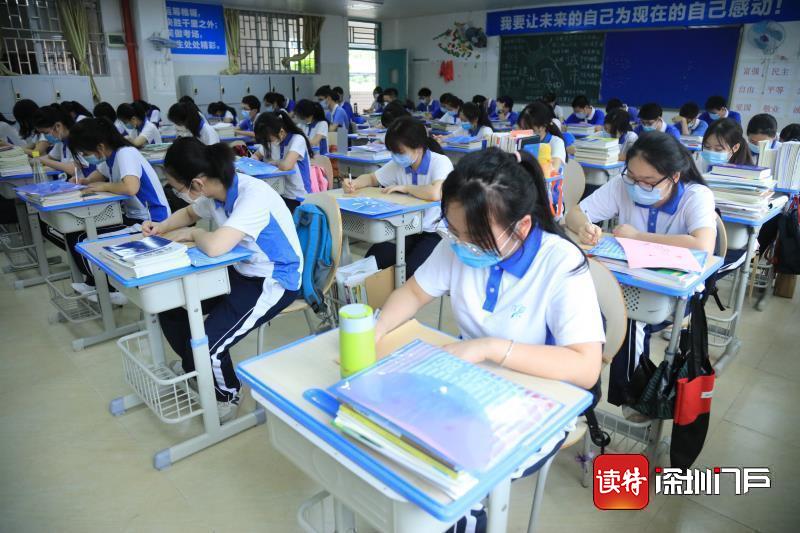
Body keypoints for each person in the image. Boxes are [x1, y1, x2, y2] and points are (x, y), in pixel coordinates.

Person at [375, 149, 603, 532]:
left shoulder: (560, 263)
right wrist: (374, 331)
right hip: (469, 380)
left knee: (452, 478)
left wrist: (490, 347)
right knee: (396, 442)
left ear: (522, 226)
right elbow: (413, 293)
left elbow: (585, 367)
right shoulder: (458, 244)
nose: (460, 243)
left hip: (542, 398)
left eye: (475, 236)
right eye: (454, 230)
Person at [145, 137, 302, 422]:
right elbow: (189, 212)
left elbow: (215, 246)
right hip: (241, 271)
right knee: (172, 307)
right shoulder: (215, 195)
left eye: (178, 188)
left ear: (197, 184)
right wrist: (161, 227)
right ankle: (196, 368)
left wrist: (195, 233)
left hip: (274, 280)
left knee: (208, 344)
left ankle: (226, 395)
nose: (178, 194)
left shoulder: (252, 196)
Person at [566, 131, 716, 406]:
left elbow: (702, 245)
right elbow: (575, 213)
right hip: (625, 282)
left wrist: (638, 237)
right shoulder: (622, 186)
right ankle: (579, 394)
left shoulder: (696, 196)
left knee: (628, 318)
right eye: (632, 177)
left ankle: (631, 398)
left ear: (674, 176)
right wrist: (584, 226)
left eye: (647, 181)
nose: (637, 185)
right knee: (578, 313)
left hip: (673, 293)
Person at [63, 118, 172, 303]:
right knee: (75, 234)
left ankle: (113, 289)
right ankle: (94, 282)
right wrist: (84, 181)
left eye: (86, 152)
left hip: (152, 222)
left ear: (100, 146)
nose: (87, 156)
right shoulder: (111, 156)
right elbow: (99, 174)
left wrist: (103, 186)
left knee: (84, 240)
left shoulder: (125, 153)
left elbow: (130, 187)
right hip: (133, 218)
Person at [343, 116, 452, 277]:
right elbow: (372, 178)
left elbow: (435, 193)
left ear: (418, 148)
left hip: (434, 231)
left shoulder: (440, 162)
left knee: (411, 272)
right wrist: (354, 183)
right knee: (374, 260)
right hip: (405, 227)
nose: (395, 156)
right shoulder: (398, 165)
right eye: (392, 152)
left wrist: (406, 188)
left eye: (399, 152)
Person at [253, 111, 313, 212]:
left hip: (298, 197)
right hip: (279, 193)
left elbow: (286, 166)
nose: (267, 141)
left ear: (281, 132)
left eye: (268, 138)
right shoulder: (271, 141)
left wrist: (274, 162)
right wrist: (253, 161)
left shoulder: (297, 140)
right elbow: (256, 155)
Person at [32, 105, 84, 178]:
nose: (44, 136)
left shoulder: (79, 139)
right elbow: (49, 157)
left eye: (45, 133)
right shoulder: (61, 141)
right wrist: (32, 160)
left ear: (58, 126)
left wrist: (37, 158)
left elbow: (72, 169)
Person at [517, 102, 567, 170]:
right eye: (521, 128)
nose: (523, 132)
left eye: (527, 128)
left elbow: (554, 169)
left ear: (543, 126)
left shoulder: (556, 142)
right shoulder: (520, 141)